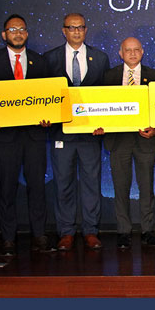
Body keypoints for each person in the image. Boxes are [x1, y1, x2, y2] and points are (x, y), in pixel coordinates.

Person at [0, 14, 52, 255]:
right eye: (12, 30)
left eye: (21, 29)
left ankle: (39, 234)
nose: (17, 33)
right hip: (5, 138)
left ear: (27, 34)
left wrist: (48, 117)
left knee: (37, 188)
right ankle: (8, 237)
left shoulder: (40, 62)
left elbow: (49, 97)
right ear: (4, 35)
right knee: (6, 188)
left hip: (34, 137)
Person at [43, 13, 110, 251]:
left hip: (90, 134)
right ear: (64, 31)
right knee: (63, 183)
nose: (76, 31)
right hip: (61, 133)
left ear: (86, 30)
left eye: (80, 27)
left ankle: (91, 231)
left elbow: (106, 95)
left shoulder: (100, 58)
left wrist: (104, 123)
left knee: (92, 183)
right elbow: (44, 94)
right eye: (72, 28)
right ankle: (66, 232)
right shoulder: (50, 58)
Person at [101, 37, 155, 249]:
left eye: (136, 49)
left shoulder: (154, 76)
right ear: (121, 53)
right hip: (119, 141)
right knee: (120, 188)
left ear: (142, 52)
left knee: (146, 188)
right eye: (128, 50)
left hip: (145, 141)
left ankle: (147, 231)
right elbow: (101, 106)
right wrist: (99, 125)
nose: (133, 53)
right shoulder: (109, 76)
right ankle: (123, 232)